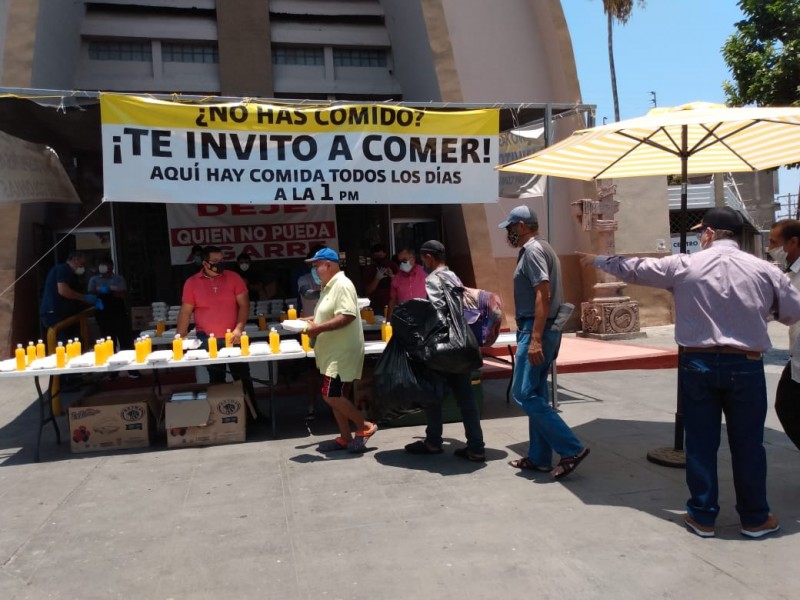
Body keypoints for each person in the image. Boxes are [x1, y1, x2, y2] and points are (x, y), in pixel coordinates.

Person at [579, 207, 800, 539]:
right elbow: (792, 311)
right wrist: (758, 310)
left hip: (698, 365)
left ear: (709, 233)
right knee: (749, 445)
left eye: (701, 232)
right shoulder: (764, 270)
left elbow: (637, 269)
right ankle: (755, 518)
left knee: (700, 442)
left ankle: (702, 516)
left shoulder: (684, 265)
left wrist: (598, 260)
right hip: (747, 364)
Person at [500, 206, 590, 479]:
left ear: (522, 226)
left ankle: (571, 448)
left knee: (523, 393)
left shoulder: (534, 251)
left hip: (536, 329)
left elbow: (543, 294)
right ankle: (539, 457)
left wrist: (536, 338)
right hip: (540, 329)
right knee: (536, 393)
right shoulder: (542, 248)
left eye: (510, 228)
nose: (508, 233)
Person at [403, 240, 486, 461]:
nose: (423, 264)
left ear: (429, 257)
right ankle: (476, 446)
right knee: (466, 397)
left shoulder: (433, 279)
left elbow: (436, 313)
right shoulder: (453, 276)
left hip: (443, 347)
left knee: (433, 394)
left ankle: (433, 442)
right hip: (462, 345)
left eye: (423, 260)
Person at [304, 247, 377, 453]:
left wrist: (317, 328)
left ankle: (364, 426)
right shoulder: (329, 286)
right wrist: (310, 321)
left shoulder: (343, 284)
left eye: (316, 265)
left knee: (330, 395)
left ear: (328, 265)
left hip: (341, 352)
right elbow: (331, 313)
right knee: (334, 394)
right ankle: (345, 437)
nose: (314, 270)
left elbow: (347, 315)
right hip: (330, 352)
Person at [177, 245, 259, 417]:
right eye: (215, 261)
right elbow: (185, 312)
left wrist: (239, 329)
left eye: (221, 261)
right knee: (216, 379)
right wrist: (180, 337)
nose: (219, 264)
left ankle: (252, 415)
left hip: (234, 337)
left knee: (242, 377)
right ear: (204, 263)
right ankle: (223, 416)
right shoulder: (192, 283)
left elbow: (244, 305)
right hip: (208, 339)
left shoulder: (234, 277)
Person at [767, 218, 800, 452]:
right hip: (796, 357)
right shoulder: (790, 273)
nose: (770, 248)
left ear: (793, 242)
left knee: (787, 406)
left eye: (773, 242)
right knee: (787, 406)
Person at [87, 257, 140, 378]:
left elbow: (122, 292)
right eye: (100, 265)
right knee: (108, 342)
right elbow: (90, 293)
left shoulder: (118, 278)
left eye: (105, 265)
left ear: (111, 266)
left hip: (118, 312)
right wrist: (100, 292)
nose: (102, 267)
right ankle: (112, 371)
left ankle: (132, 369)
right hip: (103, 313)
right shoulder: (94, 279)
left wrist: (109, 290)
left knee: (125, 341)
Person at [40, 250, 97, 343]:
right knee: (66, 344)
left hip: (64, 314)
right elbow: (63, 291)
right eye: (81, 264)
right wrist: (84, 297)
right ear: (75, 260)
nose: (82, 267)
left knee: (76, 341)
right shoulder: (63, 269)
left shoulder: (71, 275)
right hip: (55, 315)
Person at [387, 246, 427, 319]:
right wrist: (388, 322)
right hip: (404, 320)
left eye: (404, 261)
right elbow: (392, 301)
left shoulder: (425, 274)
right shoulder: (397, 278)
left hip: (423, 319)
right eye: (399, 261)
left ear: (413, 259)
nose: (402, 264)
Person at [362, 243, 397, 317]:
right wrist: (377, 278)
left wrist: (392, 276)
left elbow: (401, 287)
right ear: (372, 256)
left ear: (385, 254)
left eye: (380, 256)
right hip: (377, 306)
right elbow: (367, 291)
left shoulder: (393, 266)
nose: (379, 258)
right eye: (376, 256)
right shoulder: (369, 269)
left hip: (393, 305)